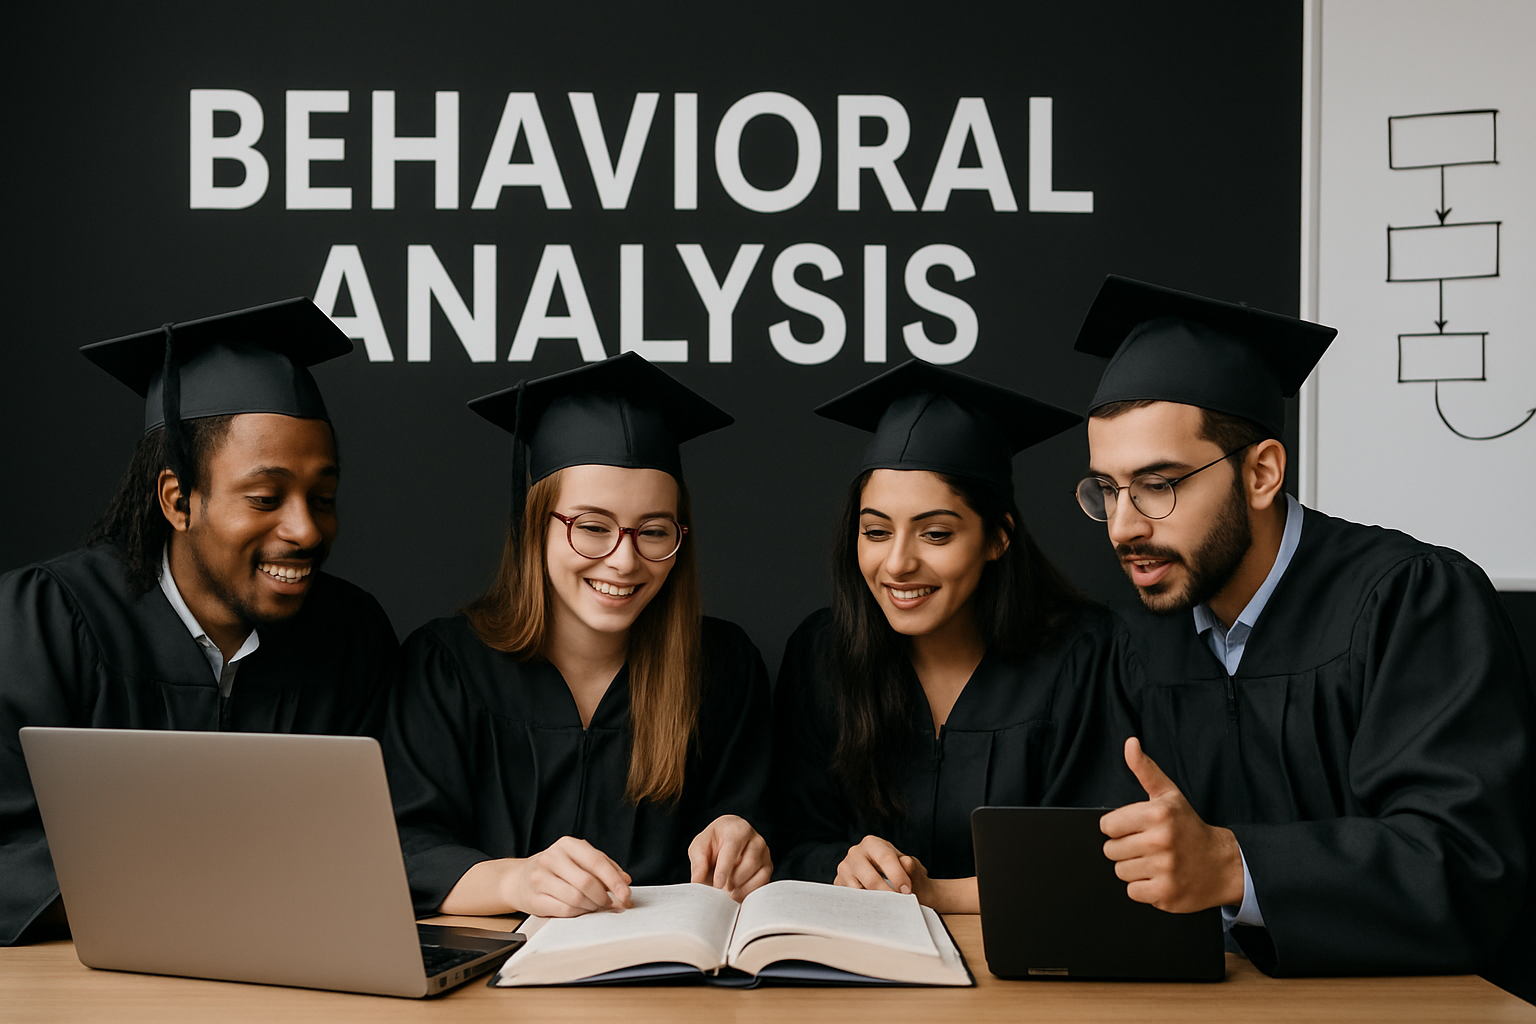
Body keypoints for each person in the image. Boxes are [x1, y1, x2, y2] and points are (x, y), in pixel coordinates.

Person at [1073, 275, 1533, 979]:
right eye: (1107, 490)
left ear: (1261, 474)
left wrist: (1234, 864)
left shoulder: (1409, 600)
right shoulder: (1141, 637)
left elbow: (1470, 868)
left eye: (1158, 485)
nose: (1125, 525)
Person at [0, 298, 400, 946]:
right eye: (266, 498)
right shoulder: (47, 622)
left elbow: (381, 845)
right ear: (177, 500)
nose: (305, 529)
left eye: (322, 498)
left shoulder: (350, 636)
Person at [382, 352, 773, 920]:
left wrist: (745, 840)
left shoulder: (722, 668)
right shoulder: (448, 665)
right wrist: (515, 882)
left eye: (654, 531)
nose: (624, 560)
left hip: (672, 987)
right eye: (592, 527)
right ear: (535, 524)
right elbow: (401, 847)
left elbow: (756, 824)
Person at [771, 360, 1141, 913]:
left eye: (936, 533)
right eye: (875, 532)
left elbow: (1102, 859)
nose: (897, 563)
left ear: (997, 538)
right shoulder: (824, 656)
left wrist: (934, 895)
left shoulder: (1082, 656)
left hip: (1031, 975)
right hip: (865, 975)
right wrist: (840, 867)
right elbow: (791, 841)